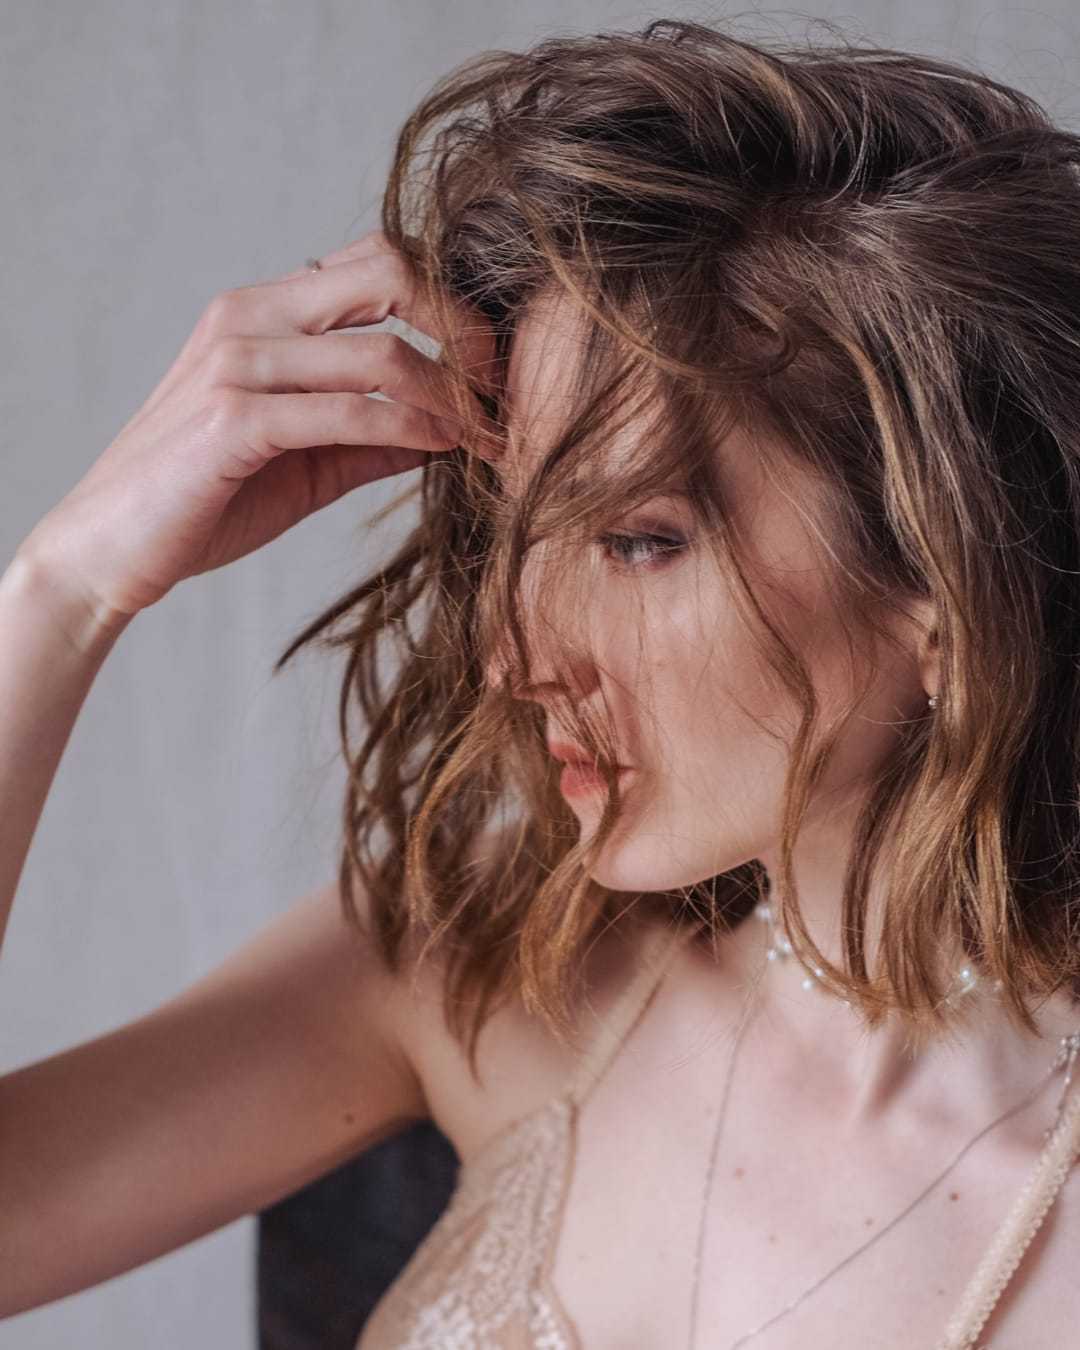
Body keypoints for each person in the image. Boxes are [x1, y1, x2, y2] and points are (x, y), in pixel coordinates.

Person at [2, 14, 1080, 1349]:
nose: (515, 657)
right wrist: (62, 592)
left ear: (950, 589)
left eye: (638, 540)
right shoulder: (488, 971)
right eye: (514, 525)